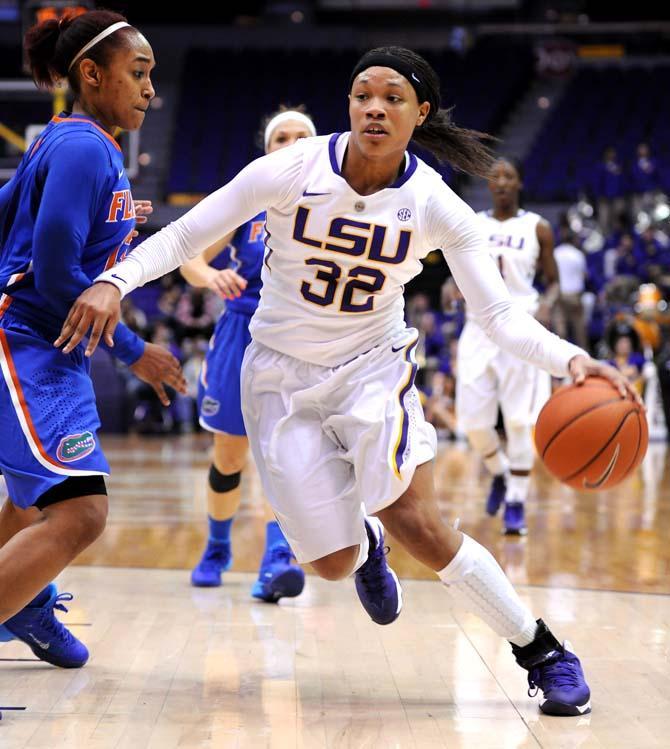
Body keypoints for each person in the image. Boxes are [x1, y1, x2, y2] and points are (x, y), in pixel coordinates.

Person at [57, 46, 640, 716]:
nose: (374, 107)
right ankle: (365, 547)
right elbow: (185, 235)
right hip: (277, 376)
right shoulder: (290, 168)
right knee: (328, 564)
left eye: (393, 97)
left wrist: (572, 360)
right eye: (363, 94)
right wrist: (114, 280)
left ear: (419, 113)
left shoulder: (437, 205)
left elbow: (501, 315)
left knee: (418, 520)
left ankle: (541, 650)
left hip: (373, 369)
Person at [0, 10, 185, 668]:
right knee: (81, 514)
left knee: (29, 504)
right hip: (28, 339)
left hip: (53, 348)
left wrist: (111, 216)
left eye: (152, 77)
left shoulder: (75, 143)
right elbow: (53, 275)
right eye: (137, 74)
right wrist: (138, 353)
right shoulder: (82, 148)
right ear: (90, 74)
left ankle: (23, 603)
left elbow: (12, 206)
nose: (148, 90)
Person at [179, 106, 316, 600]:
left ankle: (277, 557)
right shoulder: (247, 200)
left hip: (302, 338)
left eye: (303, 135)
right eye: (282, 137)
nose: (293, 142)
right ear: (267, 149)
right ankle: (217, 548)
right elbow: (189, 255)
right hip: (242, 331)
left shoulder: (335, 204)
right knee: (230, 455)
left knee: (288, 456)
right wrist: (210, 276)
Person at [456, 158, 559, 535]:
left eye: (508, 176)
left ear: (519, 184)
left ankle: (516, 500)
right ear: (488, 185)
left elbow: (552, 281)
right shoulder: (473, 225)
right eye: (494, 177)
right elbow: (459, 272)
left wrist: (547, 303)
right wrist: (453, 288)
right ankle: (499, 472)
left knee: (519, 421)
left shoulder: (538, 228)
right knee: (472, 423)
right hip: (478, 327)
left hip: (520, 326)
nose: (501, 182)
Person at [553, 225, 588, 352]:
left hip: (560, 295)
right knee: (579, 330)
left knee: (560, 331)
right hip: (574, 295)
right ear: (573, 240)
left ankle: (559, 360)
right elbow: (584, 275)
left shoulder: (555, 253)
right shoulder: (578, 254)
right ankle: (584, 355)